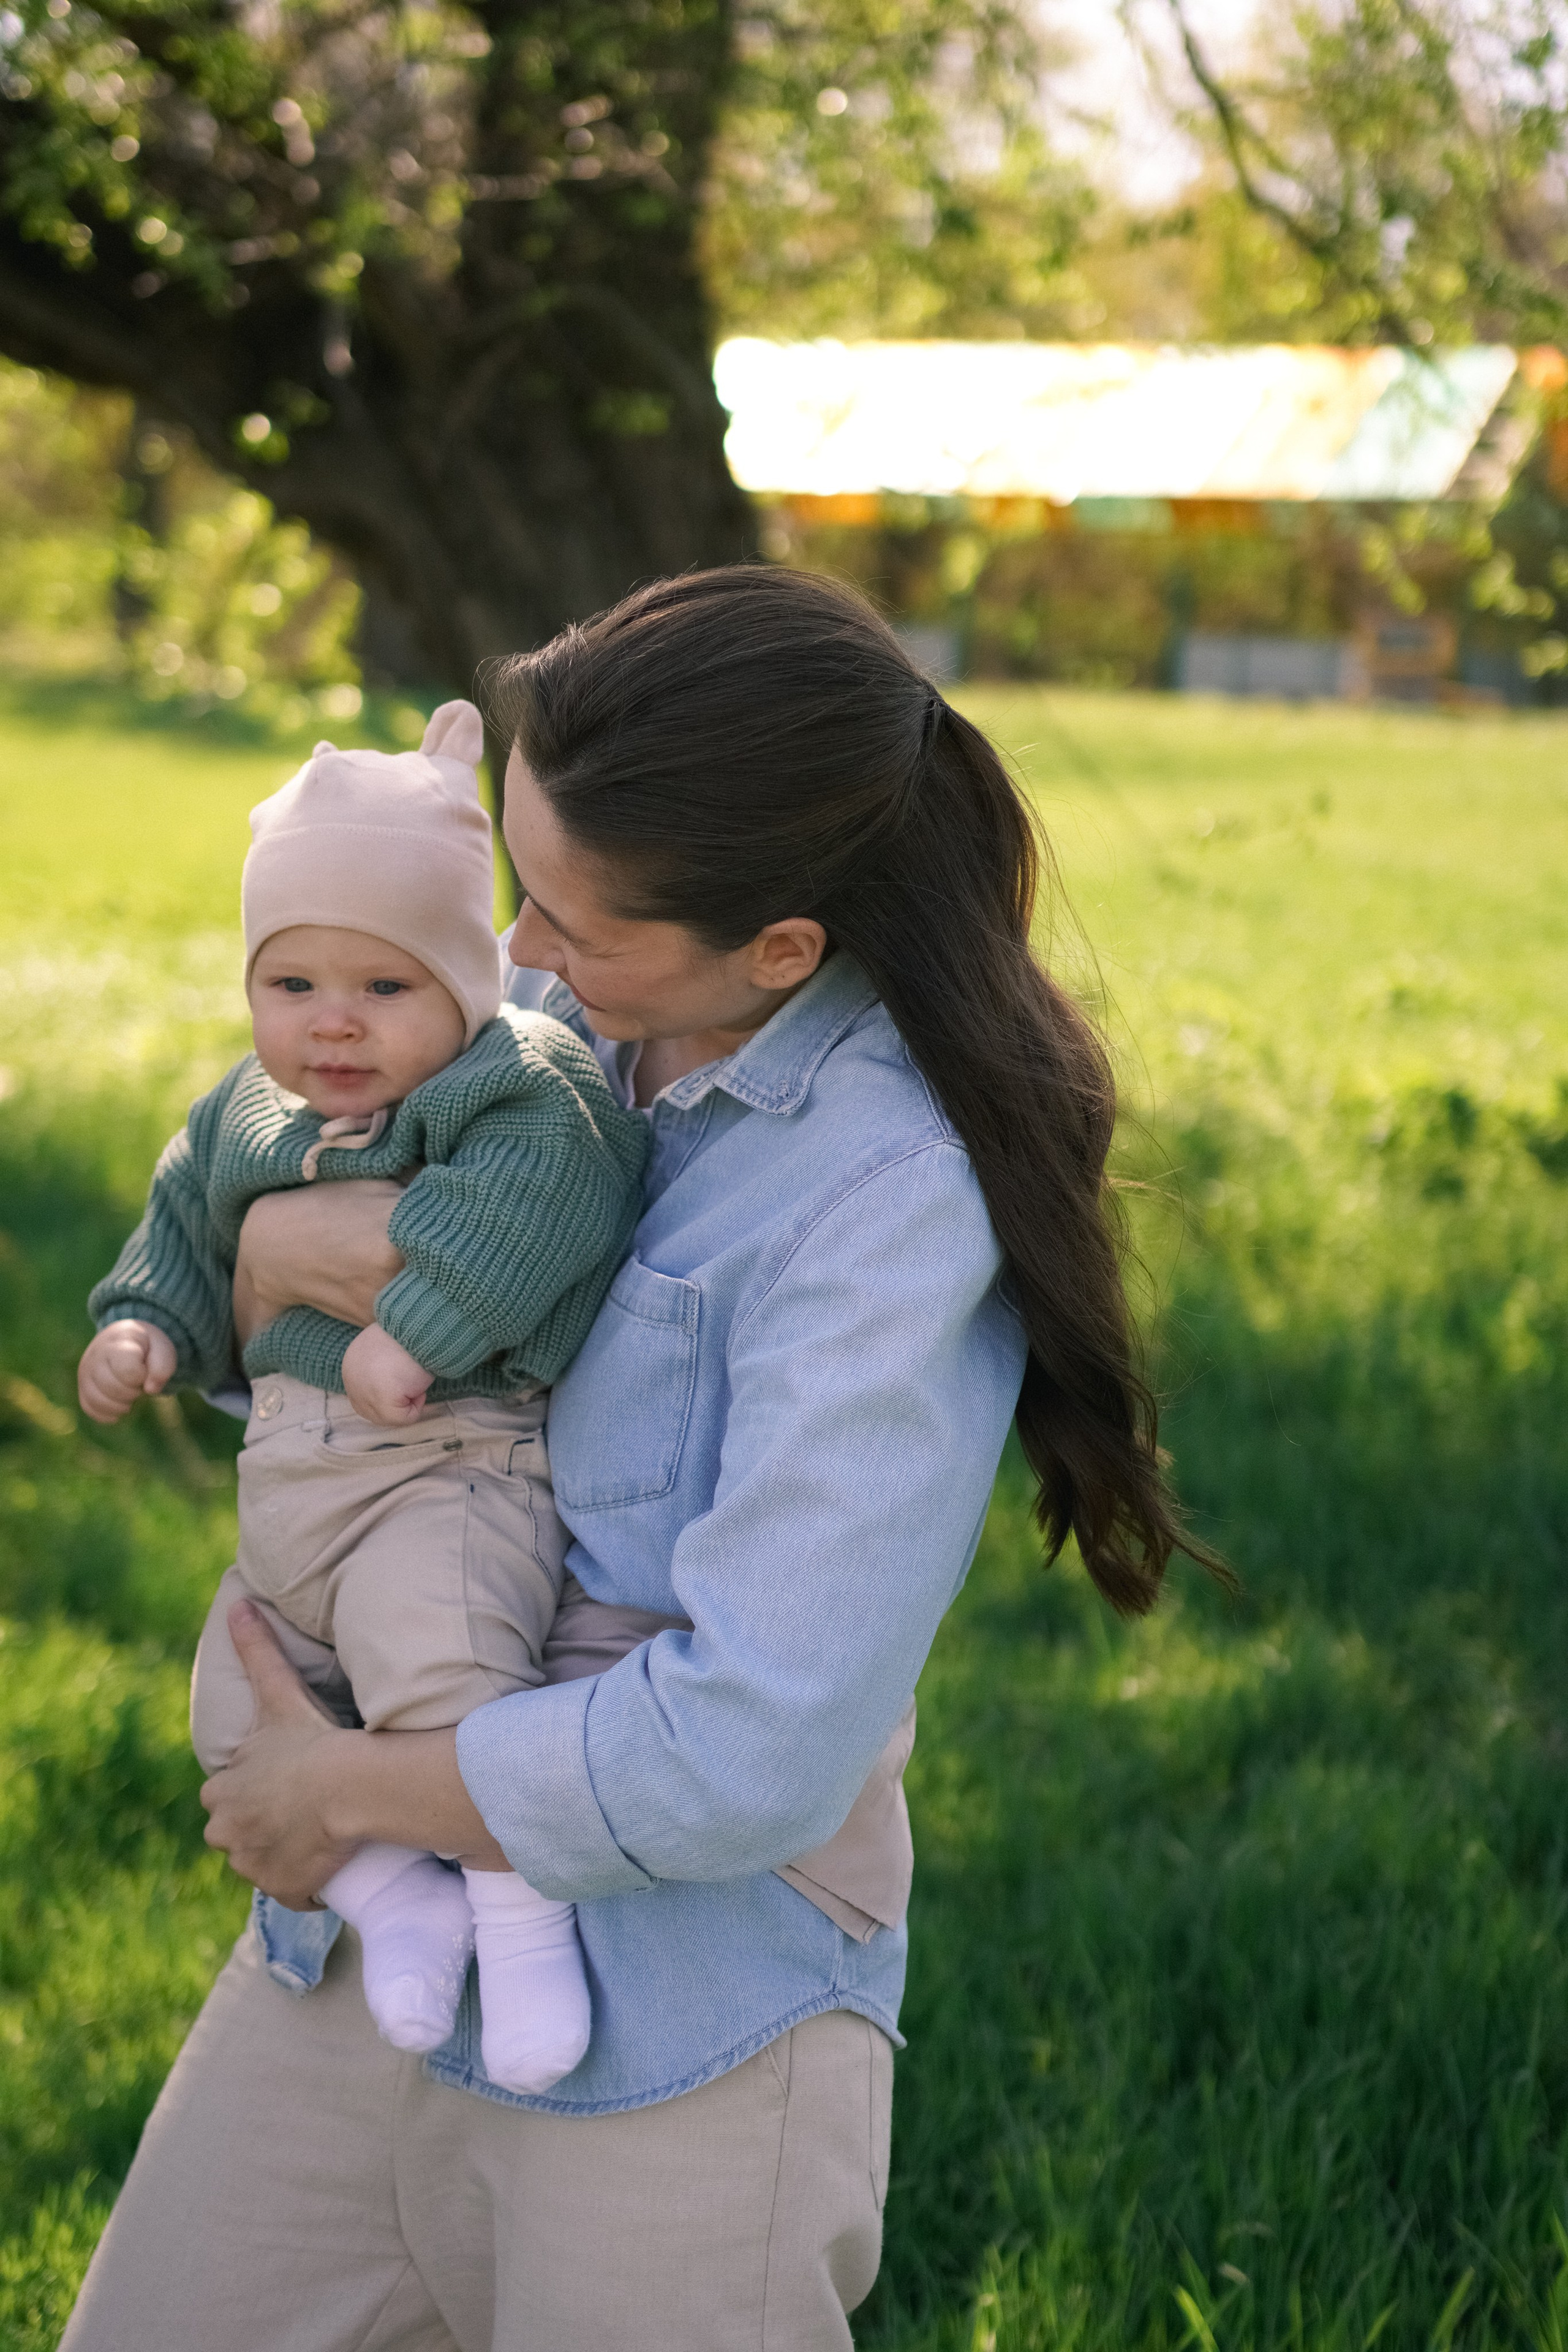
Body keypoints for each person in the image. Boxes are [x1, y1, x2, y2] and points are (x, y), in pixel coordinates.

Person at [62, 565, 1207, 2352]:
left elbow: (753, 1738)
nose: (521, 951)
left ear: (780, 952)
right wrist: (264, 1269)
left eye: (583, 926)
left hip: (678, 2021)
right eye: (519, 883)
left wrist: (346, 1798)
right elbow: (266, 1274)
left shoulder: (885, 1201)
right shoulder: (557, 1035)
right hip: (370, 1949)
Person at [77, 699, 653, 2093]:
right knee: (238, 1714)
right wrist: (144, 1323)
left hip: (445, 1471)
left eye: (384, 989)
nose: (332, 1024)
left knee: (438, 1671)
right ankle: (400, 1906)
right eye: (293, 987)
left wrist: (421, 1324)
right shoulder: (243, 1115)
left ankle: (520, 1928)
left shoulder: (513, 1085)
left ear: (463, 984)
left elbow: (539, 1206)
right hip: (293, 1499)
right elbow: (187, 1227)